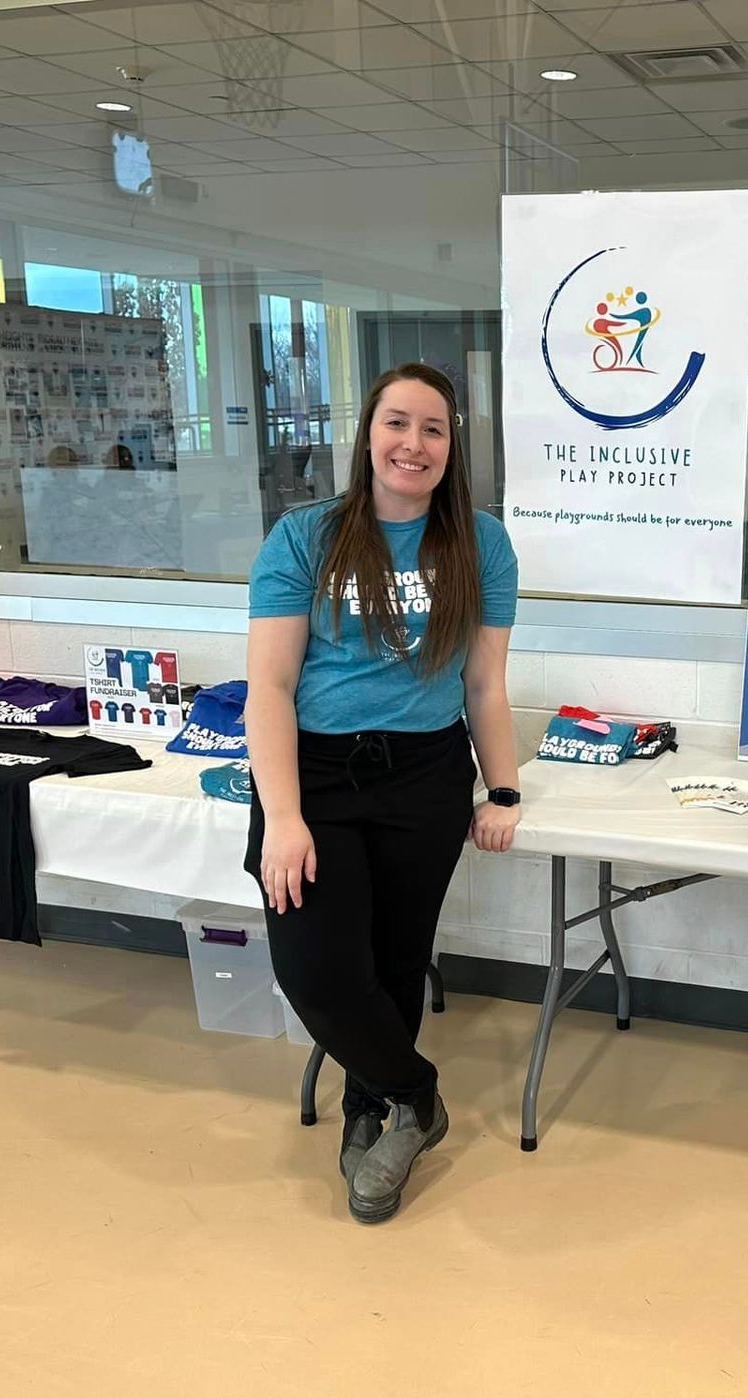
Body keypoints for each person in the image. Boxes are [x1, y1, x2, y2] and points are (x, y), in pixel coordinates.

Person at [245, 362, 520, 1224]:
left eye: (434, 429)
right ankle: (421, 1095)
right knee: (317, 970)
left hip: (425, 775)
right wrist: (283, 817)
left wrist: (503, 790)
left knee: (396, 963)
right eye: (398, 423)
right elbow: (269, 689)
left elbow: (484, 685)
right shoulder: (304, 537)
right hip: (315, 778)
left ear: (451, 448)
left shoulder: (481, 543)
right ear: (368, 435)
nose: (414, 443)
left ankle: (376, 1109)